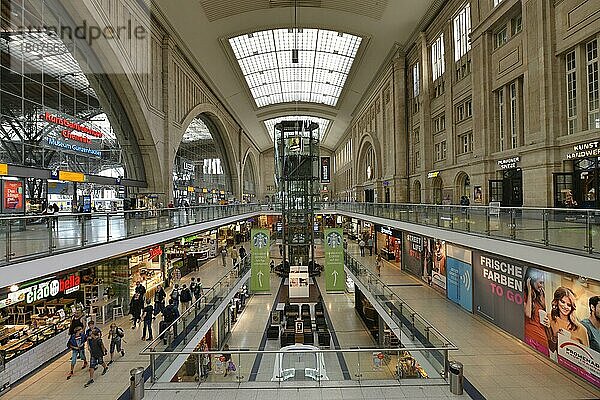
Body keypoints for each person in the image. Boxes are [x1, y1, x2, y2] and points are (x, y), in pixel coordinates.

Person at [542, 286, 589, 361]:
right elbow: (552, 349)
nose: (565, 306)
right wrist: (554, 335)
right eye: (562, 302)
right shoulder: (549, 318)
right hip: (560, 363)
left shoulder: (581, 329)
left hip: (576, 366)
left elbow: (587, 357)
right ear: (556, 301)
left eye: (569, 305)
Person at [523, 268, 549, 353]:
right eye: (540, 282)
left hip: (543, 339)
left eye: (543, 283)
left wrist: (548, 321)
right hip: (530, 335)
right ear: (531, 281)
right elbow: (528, 314)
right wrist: (530, 291)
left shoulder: (542, 296)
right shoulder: (524, 295)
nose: (541, 286)